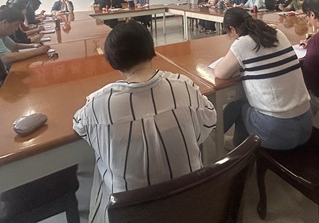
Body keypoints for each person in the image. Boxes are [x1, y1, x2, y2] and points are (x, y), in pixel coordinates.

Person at [73, 21, 216, 223]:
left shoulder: (99, 103)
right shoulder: (184, 85)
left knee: (102, 164)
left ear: (113, 61)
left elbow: (79, 126)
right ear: (151, 48)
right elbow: (208, 121)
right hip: (189, 203)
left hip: (130, 212)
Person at [214, 8, 312, 149]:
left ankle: (234, 147)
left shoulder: (242, 43)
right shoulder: (277, 33)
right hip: (306, 126)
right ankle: (226, 139)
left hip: (278, 132)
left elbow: (220, 73)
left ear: (233, 29)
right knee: (245, 100)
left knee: (239, 104)